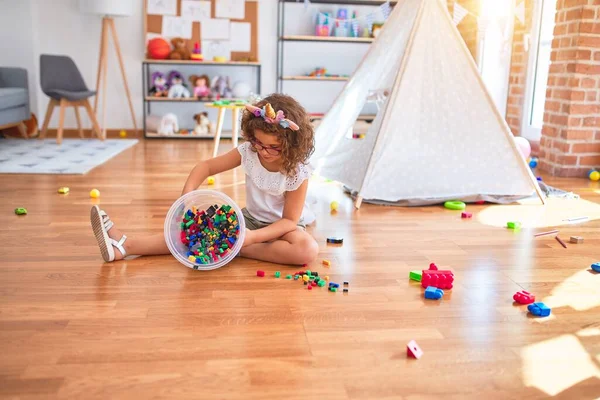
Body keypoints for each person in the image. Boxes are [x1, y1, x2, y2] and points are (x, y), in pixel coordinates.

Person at [91, 93, 319, 265]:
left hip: (281, 228)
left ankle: (233, 248)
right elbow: (206, 166)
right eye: (259, 143)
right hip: (250, 219)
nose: (265, 151)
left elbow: (289, 221)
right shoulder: (249, 152)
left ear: (291, 145)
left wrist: (252, 238)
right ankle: (124, 245)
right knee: (191, 231)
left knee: (307, 249)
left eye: (274, 147)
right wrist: (187, 195)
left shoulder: (297, 172)